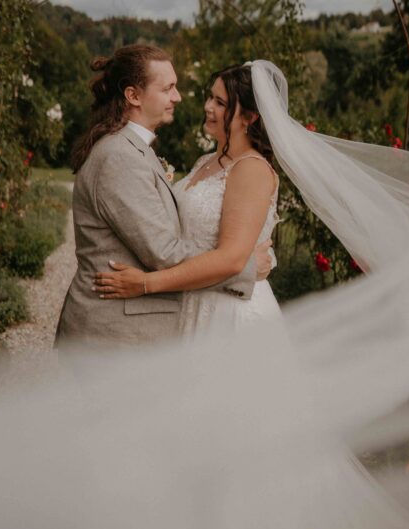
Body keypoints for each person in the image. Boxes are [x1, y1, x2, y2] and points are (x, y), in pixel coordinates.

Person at [54, 45, 271, 348]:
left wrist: (232, 260)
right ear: (133, 96)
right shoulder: (121, 156)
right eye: (168, 88)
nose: (178, 97)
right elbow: (163, 251)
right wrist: (243, 266)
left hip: (181, 319)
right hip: (116, 337)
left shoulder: (133, 150)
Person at [94, 63, 283, 334]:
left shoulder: (251, 169)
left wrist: (147, 283)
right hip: (191, 301)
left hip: (229, 313)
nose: (207, 106)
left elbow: (231, 260)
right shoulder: (206, 161)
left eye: (220, 102)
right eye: (210, 97)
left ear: (249, 117)